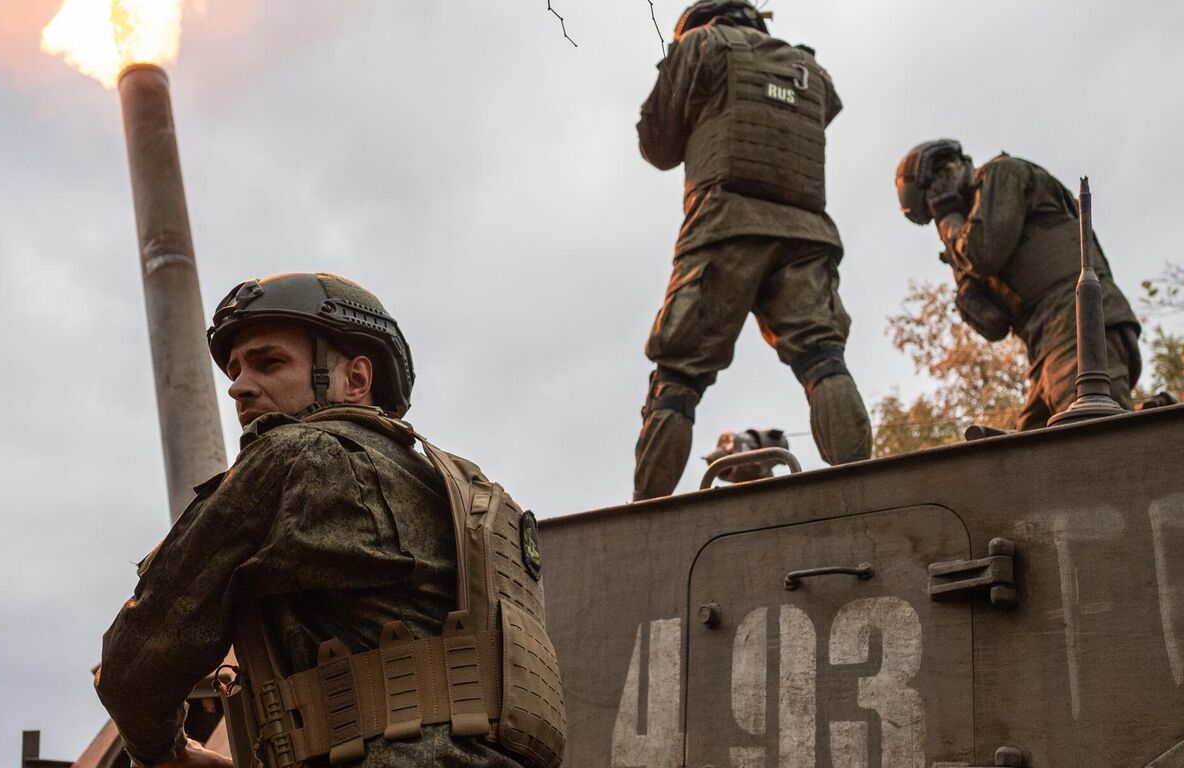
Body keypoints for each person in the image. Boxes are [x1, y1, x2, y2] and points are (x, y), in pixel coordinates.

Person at [96, 273, 564, 768]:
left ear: (355, 379)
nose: (238, 387)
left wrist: (170, 755)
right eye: (234, 370)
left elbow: (136, 667)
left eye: (268, 362)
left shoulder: (296, 457)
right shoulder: (465, 497)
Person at [633, 0, 871, 500]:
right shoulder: (812, 70)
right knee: (823, 359)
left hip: (723, 225)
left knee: (678, 374)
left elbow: (656, 146)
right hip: (807, 234)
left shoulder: (702, 45)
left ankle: (646, 513)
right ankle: (865, 491)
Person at [895, 139, 1143, 429]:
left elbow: (985, 251)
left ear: (949, 167)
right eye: (932, 210)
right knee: (1022, 457)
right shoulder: (969, 229)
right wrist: (963, 280)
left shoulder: (1003, 174)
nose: (938, 207)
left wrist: (950, 221)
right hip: (1046, 345)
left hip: (1075, 320)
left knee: (1097, 437)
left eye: (935, 196)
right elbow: (994, 323)